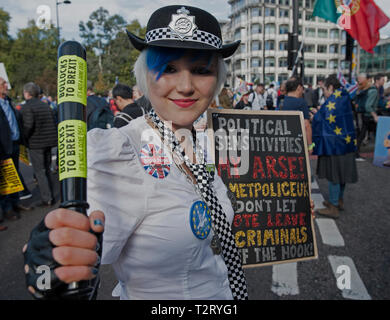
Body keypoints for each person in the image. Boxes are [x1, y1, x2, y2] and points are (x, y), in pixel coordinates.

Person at [23, 5, 249, 301]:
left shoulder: (197, 137)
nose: (185, 86)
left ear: (216, 79)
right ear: (145, 77)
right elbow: (80, 244)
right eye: (168, 68)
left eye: (201, 70)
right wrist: (53, 261)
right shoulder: (122, 152)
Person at [312, 75, 358, 219]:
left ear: (331, 88)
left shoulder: (334, 99)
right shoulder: (344, 97)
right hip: (347, 143)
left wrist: (315, 116)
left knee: (334, 175)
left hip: (335, 145)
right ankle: (339, 200)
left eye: (325, 89)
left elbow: (323, 119)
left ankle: (333, 207)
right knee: (342, 174)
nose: (324, 92)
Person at [0, 77, 32, 221]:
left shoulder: (8, 101)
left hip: (14, 143)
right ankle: (7, 208)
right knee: (5, 178)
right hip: (3, 146)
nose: (6, 86)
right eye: (3, 84)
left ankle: (15, 202)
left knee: (15, 174)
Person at [21, 82, 57, 207]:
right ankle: (50, 194)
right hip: (48, 142)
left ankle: (47, 198)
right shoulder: (45, 105)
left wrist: (24, 138)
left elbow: (28, 126)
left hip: (36, 143)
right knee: (47, 169)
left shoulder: (27, 107)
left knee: (39, 171)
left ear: (27, 93)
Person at [282, 77, 313, 153]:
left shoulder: (281, 101)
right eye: (303, 89)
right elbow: (306, 125)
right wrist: (310, 145)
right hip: (297, 142)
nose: (303, 91)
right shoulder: (301, 102)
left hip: (282, 141)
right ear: (299, 88)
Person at [354, 73, 379, 160]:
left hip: (359, 114)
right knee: (362, 135)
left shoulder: (361, 90)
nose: (358, 81)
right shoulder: (372, 90)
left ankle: (356, 153)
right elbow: (368, 106)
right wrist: (375, 115)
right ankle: (356, 154)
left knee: (361, 134)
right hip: (366, 115)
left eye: (360, 79)